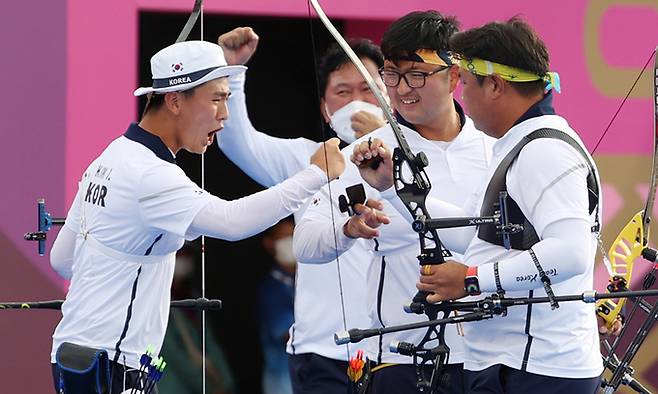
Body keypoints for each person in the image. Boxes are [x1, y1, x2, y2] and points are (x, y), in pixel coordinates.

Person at [48, 40, 344, 393]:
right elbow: (233, 222)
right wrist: (314, 174)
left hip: (73, 355)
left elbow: (63, 259)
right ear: (174, 100)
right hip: (112, 364)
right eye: (217, 98)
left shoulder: (110, 157)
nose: (225, 114)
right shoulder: (151, 174)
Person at [353, 17, 604, 394]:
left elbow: (570, 254)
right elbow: (476, 231)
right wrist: (394, 189)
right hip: (515, 364)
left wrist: (471, 279)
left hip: (537, 369)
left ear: (496, 86)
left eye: (466, 84)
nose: (462, 97)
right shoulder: (520, 144)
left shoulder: (544, 151)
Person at [293, 11, 494, 394]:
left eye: (417, 74)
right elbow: (305, 243)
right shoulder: (367, 153)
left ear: (454, 76)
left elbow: (521, 245)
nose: (403, 88)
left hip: (489, 361)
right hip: (402, 363)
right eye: (392, 74)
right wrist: (349, 229)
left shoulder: (495, 149)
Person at [215, 27, 388, 393]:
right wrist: (230, 72)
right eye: (343, 92)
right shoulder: (310, 159)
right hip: (323, 352)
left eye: (368, 89)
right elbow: (237, 142)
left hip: (398, 353)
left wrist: (389, 139)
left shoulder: (420, 161)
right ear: (326, 110)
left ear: (389, 95)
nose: (357, 102)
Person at [258, 218, 296, 394]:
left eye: (294, 235)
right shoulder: (271, 289)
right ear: (269, 244)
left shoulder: (299, 282)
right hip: (283, 384)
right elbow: (289, 335)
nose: (291, 242)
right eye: (284, 238)